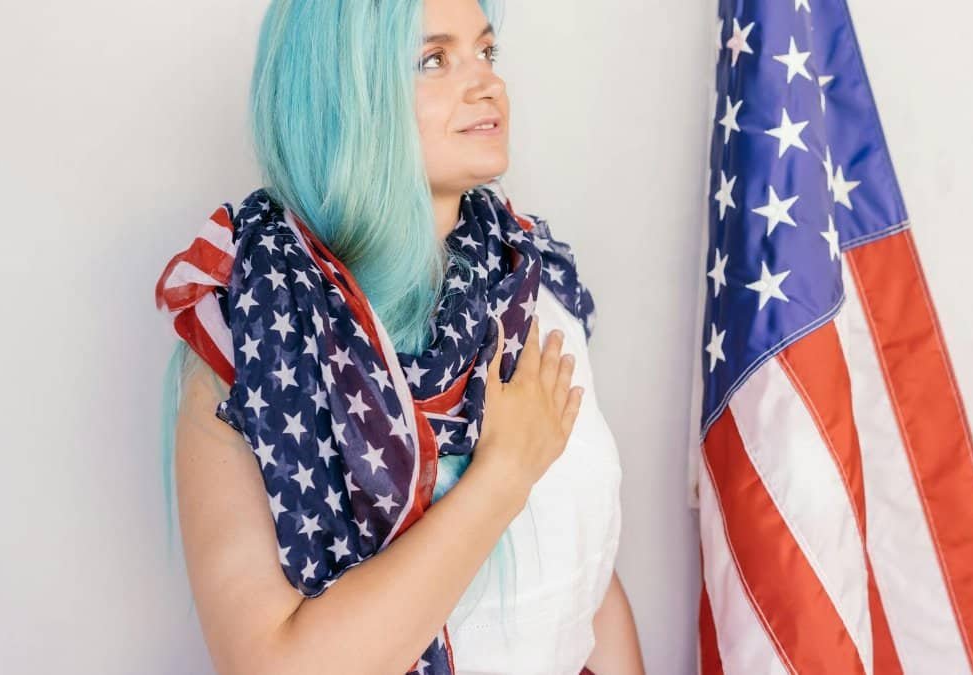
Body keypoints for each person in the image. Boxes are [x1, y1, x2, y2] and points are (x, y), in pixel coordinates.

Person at [156, 1, 645, 673]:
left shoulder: (530, 285)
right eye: (434, 60)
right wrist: (503, 475)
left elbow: (589, 578)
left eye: (486, 52)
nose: (487, 83)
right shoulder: (250, 336)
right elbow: (274, 663)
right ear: (344, 94)